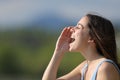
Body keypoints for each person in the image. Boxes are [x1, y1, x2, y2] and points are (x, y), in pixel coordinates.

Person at [42, 13, 120, 80]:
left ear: (92, 37)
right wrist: (58, 52)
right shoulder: (84, 67)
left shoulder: (105, 67)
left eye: (79, 27)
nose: (73, 29)